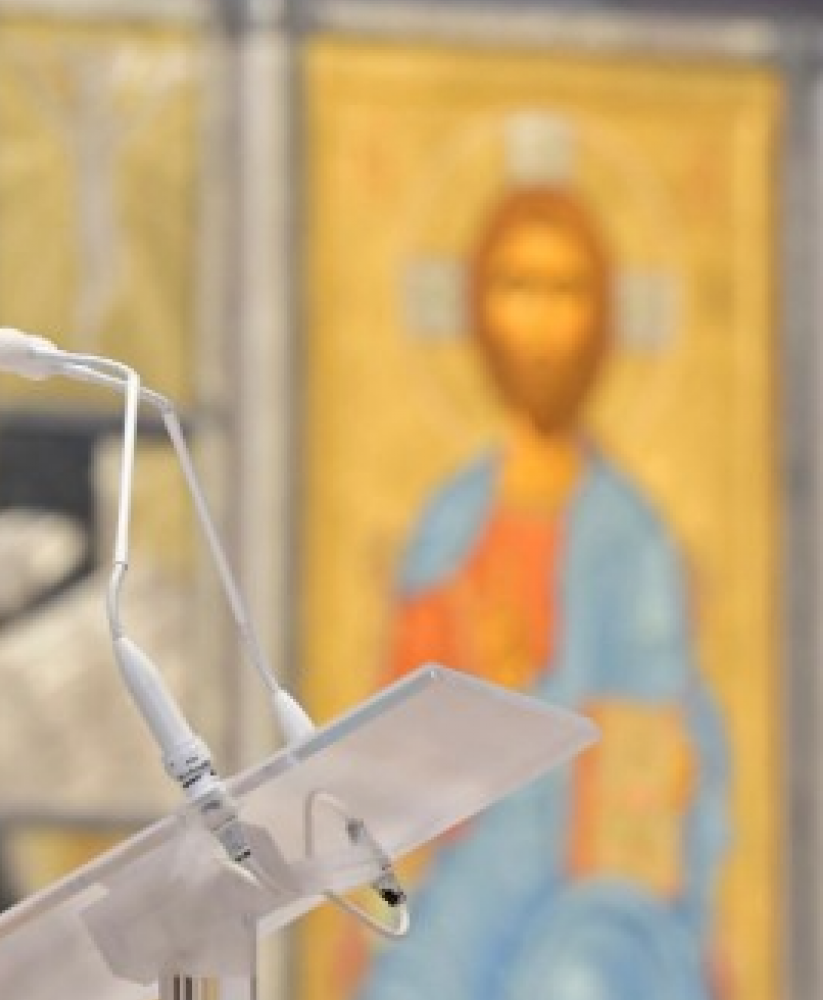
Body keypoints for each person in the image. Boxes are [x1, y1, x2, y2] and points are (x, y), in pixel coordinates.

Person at [351, 184, 729, 1000]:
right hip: (473, 874)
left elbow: (646, 762)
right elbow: (394, 770)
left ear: (603, 317)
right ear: (477, 310)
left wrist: (532, 692)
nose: (542, 323)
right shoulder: (450, 526)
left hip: (598, 895)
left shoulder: (629, 539)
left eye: (566, 290)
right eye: (517, 287)